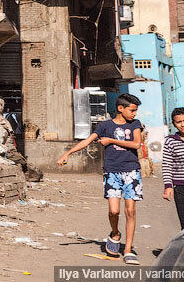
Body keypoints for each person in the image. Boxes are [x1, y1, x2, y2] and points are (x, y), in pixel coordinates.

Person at [58, 93, 144, 265]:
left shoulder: (135, 124)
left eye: (135, 111)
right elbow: (87, 141)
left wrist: (111, 140)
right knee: (114, 211)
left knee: (130, 210)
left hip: (131, 171)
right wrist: (68, 153)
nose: (134, 114)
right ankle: (115, 234)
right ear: (120, 108)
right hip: (112, 171)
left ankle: (127, 250)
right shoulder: (104, 125)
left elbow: (136, 144)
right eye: (132, 110)